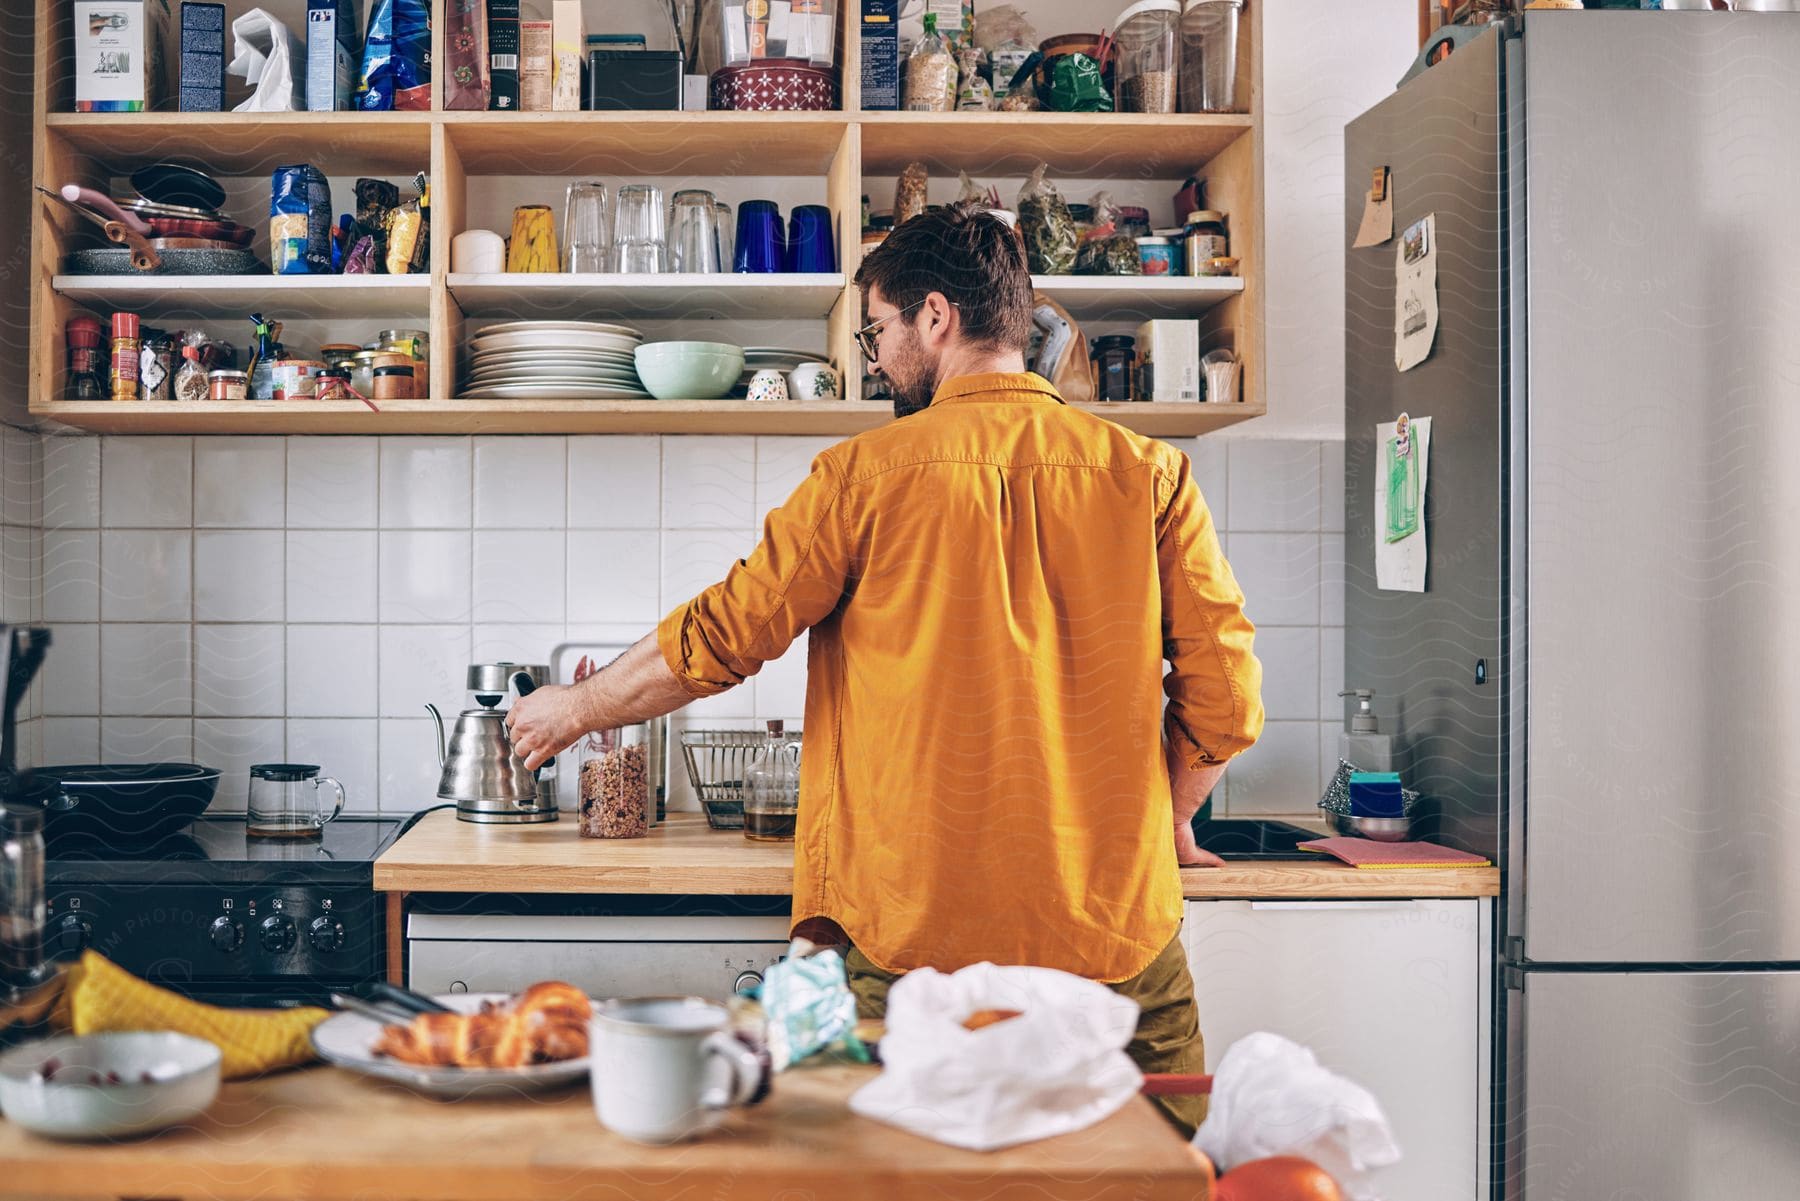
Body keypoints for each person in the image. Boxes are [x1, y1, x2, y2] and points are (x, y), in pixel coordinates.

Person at [507, 203, 1264, 1136]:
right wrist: (1168, 815)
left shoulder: (862, 478)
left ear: (935, 317)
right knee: (1150, 1182)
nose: (874, 356)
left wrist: (575, 706)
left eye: (877, 330)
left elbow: (723, 634)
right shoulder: (1150, 473)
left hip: (910, 945)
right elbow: (1226, 698)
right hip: (1113, 938)